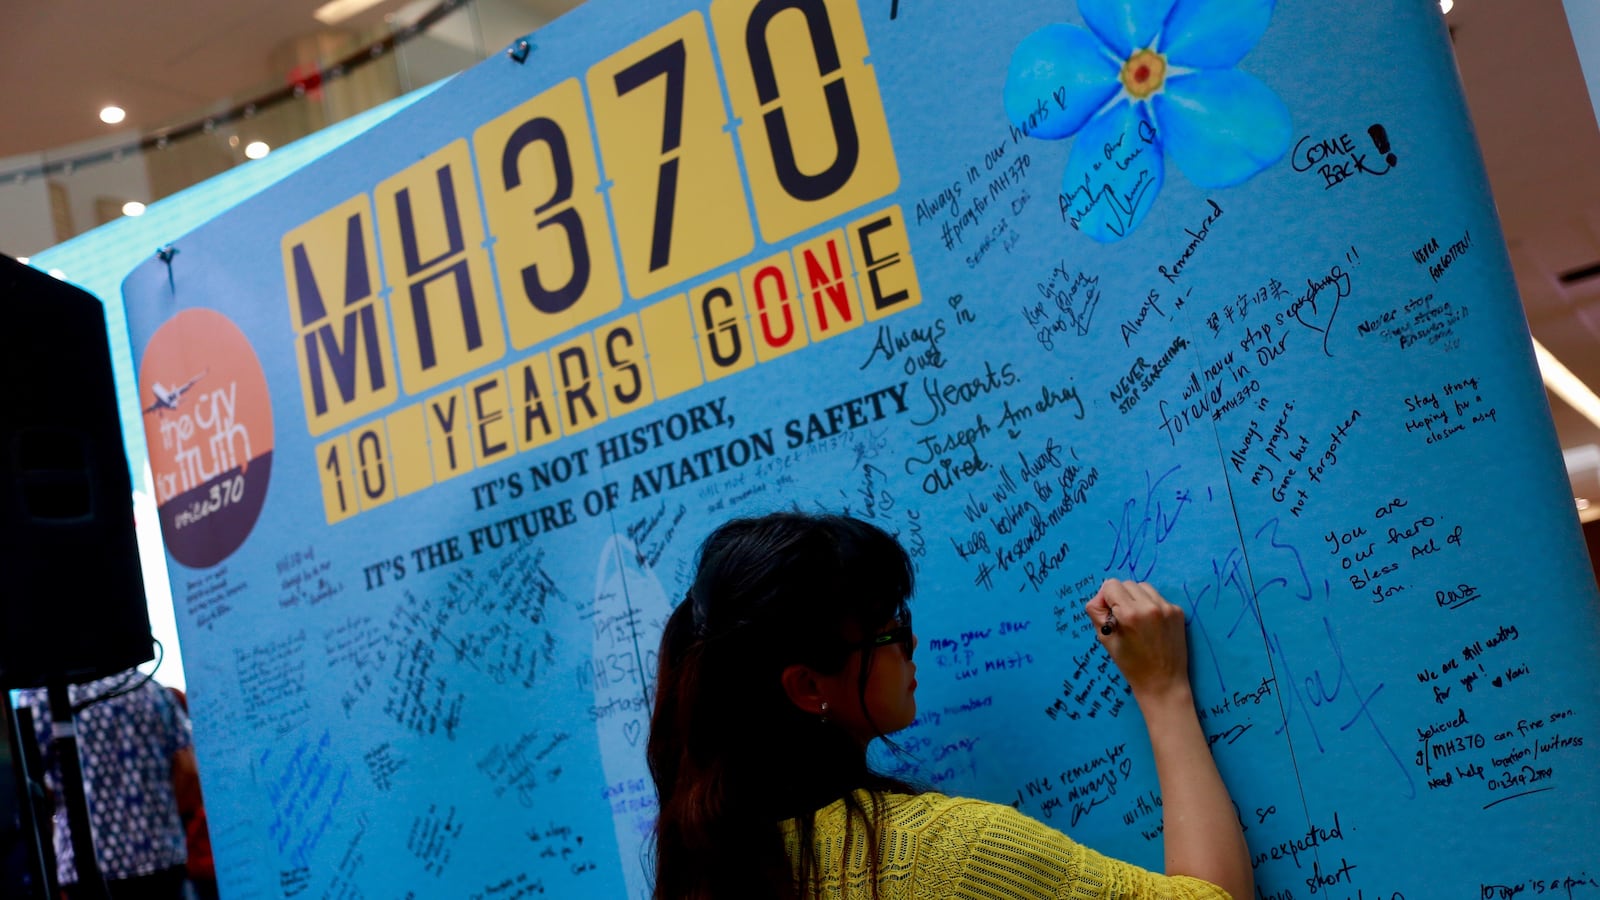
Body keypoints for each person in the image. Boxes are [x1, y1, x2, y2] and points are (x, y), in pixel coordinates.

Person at [647, 511, 1251, 900]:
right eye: (888, 629)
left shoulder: (708, 871)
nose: (911, 642)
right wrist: (1163, 688)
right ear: (808, 688)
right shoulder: (945, 857)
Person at [17, 670, 191, 900]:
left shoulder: (41, 695)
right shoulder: (149, 688)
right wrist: (160, 816)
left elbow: (28, 781)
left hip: (87, 863)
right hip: (163, 855)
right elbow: (187, 768)